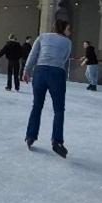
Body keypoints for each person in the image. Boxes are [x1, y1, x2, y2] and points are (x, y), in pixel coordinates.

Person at [23, 20, 72, 157]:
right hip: (57, 73)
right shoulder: (68, 42)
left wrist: (26, 70)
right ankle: (57, 141)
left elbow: (33, 54)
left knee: (37, 106)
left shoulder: (42, 37)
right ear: (62, 29)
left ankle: (30, 136)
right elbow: (65, 58)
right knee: (59, 109)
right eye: (68, 29)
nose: (70, 31)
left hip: (40, 72)